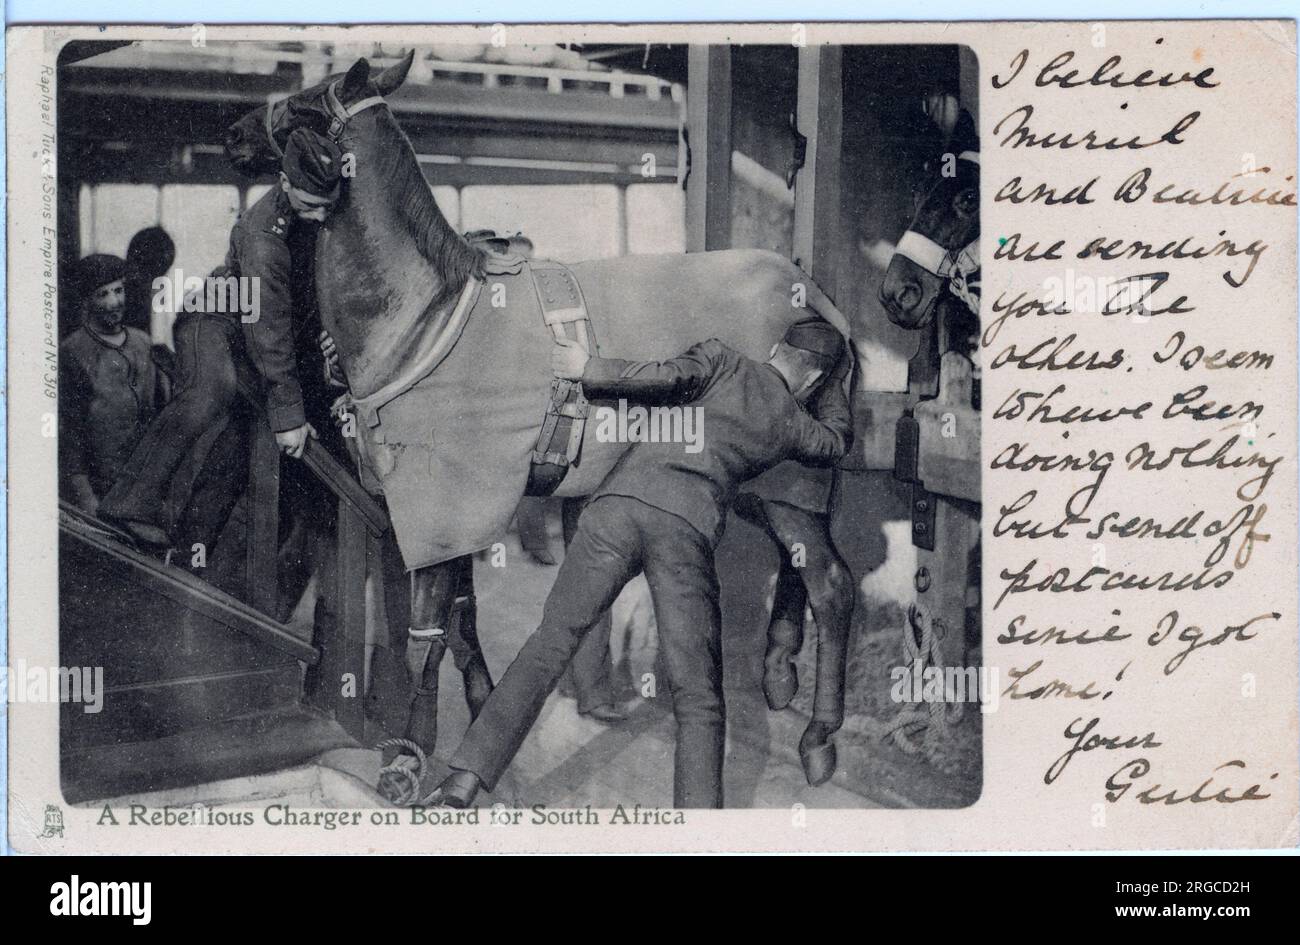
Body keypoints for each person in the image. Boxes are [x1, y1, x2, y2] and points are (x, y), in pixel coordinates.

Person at [430, 317, 853, 809]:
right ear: (814, 380)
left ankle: (460, 783)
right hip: (684, 533)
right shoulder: (792, 423)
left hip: (616, 509)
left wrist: (588, 368)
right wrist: (834, 385)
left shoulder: (720, 357)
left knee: (547, 645)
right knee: (698, 695)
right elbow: (837, 441)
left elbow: (661, 377)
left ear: (777, 346)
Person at [100, 127, 346, 549]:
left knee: (236, 448)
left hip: (248, 336)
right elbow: (267, 326)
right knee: (211, 389)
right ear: (285, 183)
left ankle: (190, 553)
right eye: (312, 206)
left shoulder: (314, 214)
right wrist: (289, 416)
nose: (322, 216)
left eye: (328, 205)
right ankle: (128, 502)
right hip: (211, 320)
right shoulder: (263, 237)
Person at [59, 254, 166, 516]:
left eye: (119, 290)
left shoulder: (143, 343)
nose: (114, 302)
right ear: (87, 300)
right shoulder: (73, 352)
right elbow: (70, 437)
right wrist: (87, 500)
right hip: (100, 490)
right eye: (102, 294)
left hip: (144, 488)